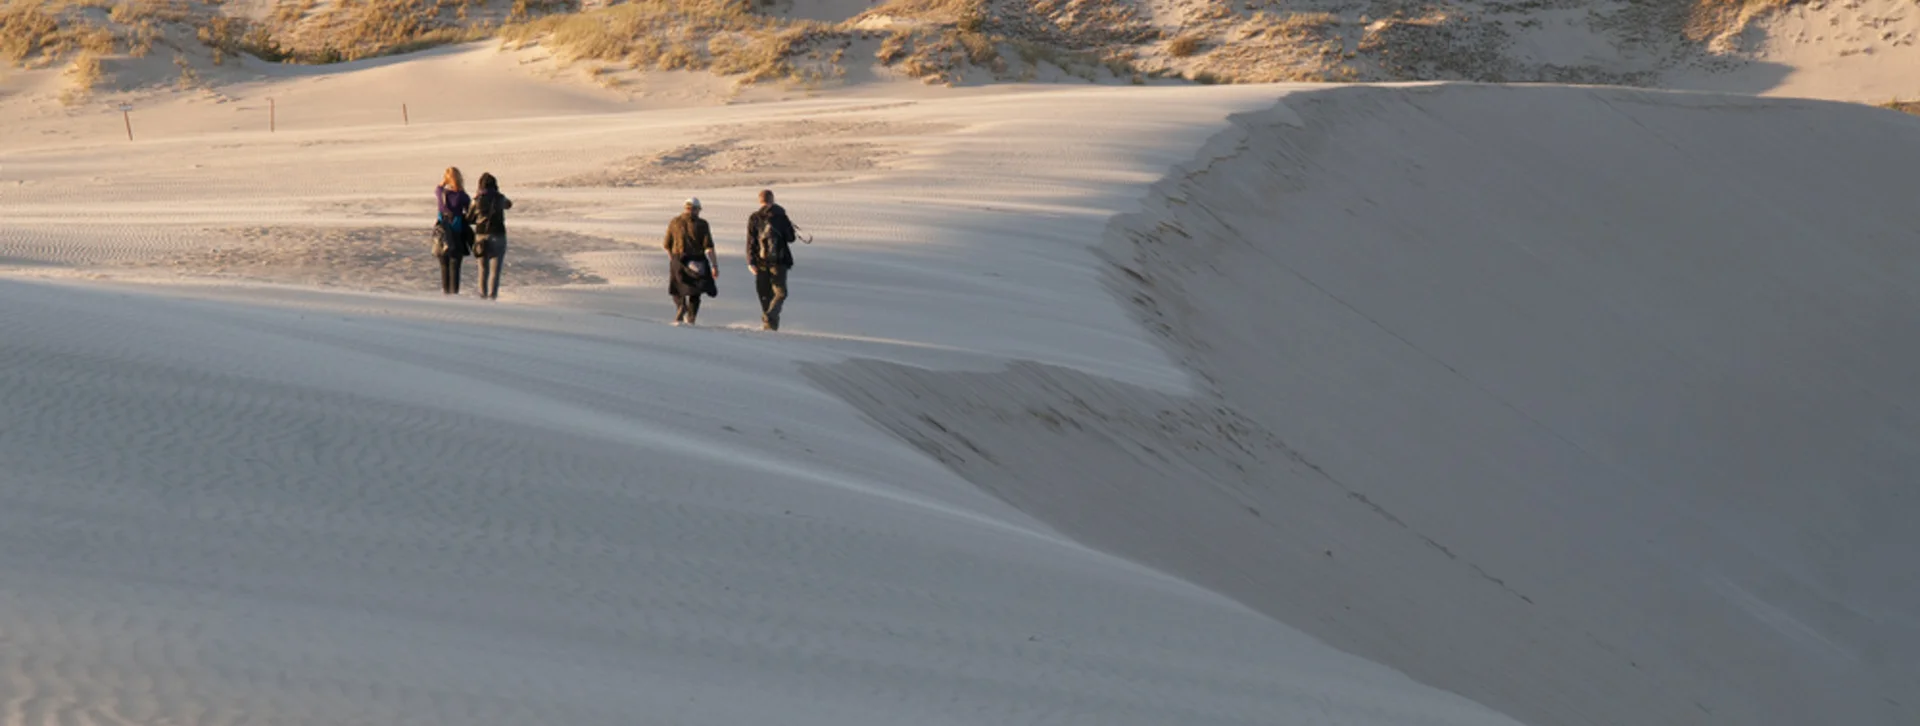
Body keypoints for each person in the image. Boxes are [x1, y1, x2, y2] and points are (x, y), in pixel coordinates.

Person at [745, 189, 797, 330]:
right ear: (772, 199)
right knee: (780, 293)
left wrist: (750, 261)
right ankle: (771, 319)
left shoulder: (754, 217)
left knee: (765, 294)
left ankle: (769, 325)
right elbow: (791, 238)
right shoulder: (781, 216)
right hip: (779, 261)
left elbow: (751, 241)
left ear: (760, 201)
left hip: (760, 262)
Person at [662, 197, 718, 326]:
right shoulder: (702, 224)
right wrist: (714, 265)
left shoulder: (674, 222)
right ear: (697, 209)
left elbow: (666, 244)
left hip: (678, 259)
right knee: (696, 291)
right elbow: (709, 247)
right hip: (697, 259)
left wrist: (673, 260)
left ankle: (681, 306)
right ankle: (691, 318)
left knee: (677, 289)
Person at [467, 172, 513, 300]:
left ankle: (482, 297)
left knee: (482, 270)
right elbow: (509, 204)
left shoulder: (477, 200)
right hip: (498, 235)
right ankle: (493, 297)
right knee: (495, 271)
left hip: (481, 236)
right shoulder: (500, 198)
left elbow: (469, 218)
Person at [434, 167, 472, 295]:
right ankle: (454, 296)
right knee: (455, 266)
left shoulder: (441, 193)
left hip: (442, 235)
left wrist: (444, 181)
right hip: (457, 234)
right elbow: (470, 212)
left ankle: (446, 296)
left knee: (444, 266)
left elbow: (438, 188)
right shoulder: (462, 196)